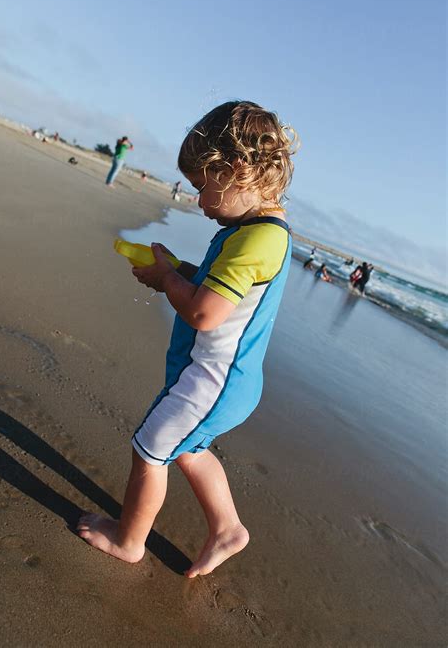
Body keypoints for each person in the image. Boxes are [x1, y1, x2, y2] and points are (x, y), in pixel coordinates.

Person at [77, 101, 299, 578]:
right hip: (222, 380)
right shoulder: (254, 231)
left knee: (149, 448)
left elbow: (203, 310)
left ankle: (128, 540)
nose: (199, 202)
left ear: (236, 170)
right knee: (190, 450)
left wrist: (165, 282)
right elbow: (217, 288)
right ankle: (227, 529)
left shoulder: (258, 239)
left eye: (202, 187)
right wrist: (177, 269)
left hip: (212, 381)